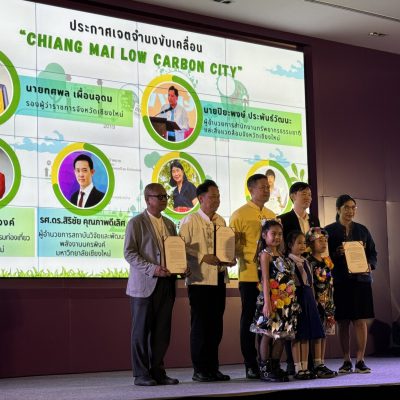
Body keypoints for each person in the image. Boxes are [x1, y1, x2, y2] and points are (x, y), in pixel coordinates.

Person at [124, 183, 179, 386]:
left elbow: (174, 252)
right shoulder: (136, 223)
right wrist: (152, 269)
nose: (164, 200)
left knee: (162, 331)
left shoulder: (170, 224)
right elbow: (129, 253)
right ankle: (141, 374)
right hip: (144, 285)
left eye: (166, 196)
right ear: (148, 200)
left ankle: (158, 371)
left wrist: (181, 267)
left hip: (167, 283)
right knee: (141, 331)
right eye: (160, 196)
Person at [179, 179, 235, 382]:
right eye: (212, 197)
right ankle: (200, 369)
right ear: (201, 198)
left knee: (216, 326)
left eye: (218, 196)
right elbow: (181, 246)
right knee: (201, 326)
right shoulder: (190, 220)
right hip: (199, 280)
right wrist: (203, 256)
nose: (216, 200)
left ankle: (213, 368)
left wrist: (229, 258)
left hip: (219, 277)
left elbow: (225, 247)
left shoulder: (221, 221)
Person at [229, 173, 275, 379]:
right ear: (251, 189)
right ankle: (250, 363)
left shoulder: (272, 214)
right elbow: (234, 247)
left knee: (268, 320)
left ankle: (266, 361)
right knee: (249, 320)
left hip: (270, 276)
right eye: (262, 187)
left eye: (268, 187)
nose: (266, 190)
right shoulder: (239, 214)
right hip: (249, 275)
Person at [325, 194, 377, 374]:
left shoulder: (362, 230)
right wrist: (336, 253)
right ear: (338, 209)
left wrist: (370, 264)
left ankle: (360, 360)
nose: (350, 211)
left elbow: (373, 253)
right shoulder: (329, 231)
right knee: (343, 321)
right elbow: (323, 257)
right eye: (346, 207)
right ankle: (346, 360)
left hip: (361, 281)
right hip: (340, 281)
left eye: (353, 207)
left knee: (360, 321)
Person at [278, 181, 320, 374]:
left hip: (310, 271)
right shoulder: (284, 219)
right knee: (293, 318)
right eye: (304, 194)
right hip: (291, 273)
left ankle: (310, 363)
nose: (308, 197)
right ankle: (293, 363)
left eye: (310, 194)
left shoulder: (314, 220)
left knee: (309, 318)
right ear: (293, 196)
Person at [250, 219, 298, 382]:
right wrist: (267, 303)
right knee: (268, 334)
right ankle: (265, 368)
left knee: (281, 334)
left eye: (280, 234)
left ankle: (275, 366)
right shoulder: (265, 255)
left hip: (285, 303)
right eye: (273, 234)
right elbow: (265, 280)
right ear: (264, 235)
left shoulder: (283, 256)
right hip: (271, 301)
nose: (277, 237)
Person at [286, 231, 325, 380]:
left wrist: (314, 299)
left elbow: (311, 283)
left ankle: (306, 367)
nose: (302, 246)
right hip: (297, 298)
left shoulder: (306, 262)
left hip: (308, 298)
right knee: (297, 334)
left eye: (304, 243)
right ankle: (298, 368)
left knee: (307, 334)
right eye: (299, 243)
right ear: (290, 245)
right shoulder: (288, 261)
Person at [306, 227, 337, 378]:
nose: (324, 243)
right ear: (311, 243)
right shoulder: (309, 262)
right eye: (320, 240)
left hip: (328, 302)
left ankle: (322, 362)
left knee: (324, 333)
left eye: (325, 240)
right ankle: (316, 363)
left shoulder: (327, 261)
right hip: (316, 302)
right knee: (317, 334)